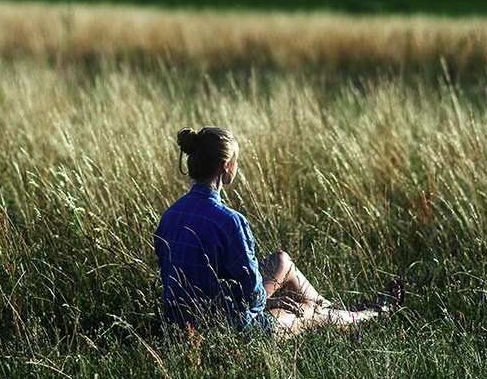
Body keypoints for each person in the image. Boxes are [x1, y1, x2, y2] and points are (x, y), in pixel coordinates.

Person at [153, 126, 401, 336]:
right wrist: (268, 301)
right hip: (228, 329)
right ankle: (371, 313)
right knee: (309, 313)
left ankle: (335, 307)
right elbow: (251, 296)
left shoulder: (169, 215)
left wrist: (267, 300)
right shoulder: (229, 221)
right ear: (225, 166)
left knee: (281, 260)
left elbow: (188, 285)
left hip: (178, 323)